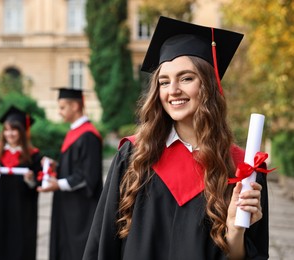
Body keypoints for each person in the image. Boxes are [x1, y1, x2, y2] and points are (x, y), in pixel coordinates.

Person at [83, 16, 269, 260]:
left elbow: (243, 255)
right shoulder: (134, 155)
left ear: (209, 85)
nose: (173, 90)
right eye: (163, 82)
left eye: (186, 78)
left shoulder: (242, 168)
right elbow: (103, 240)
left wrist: (235, 231)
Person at [37, 88, 103, 260]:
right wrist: (56, 165)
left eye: (62, 107)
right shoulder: (75, 132)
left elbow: (89, 175)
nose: (59, 112)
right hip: (69, 204)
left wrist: (58, 184)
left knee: (77, 250)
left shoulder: (88, 135)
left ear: (75, 106)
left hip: (82, 208)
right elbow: (74, 167)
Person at [0, 105, 43, 260]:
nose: (10, 134)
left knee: (20, 244)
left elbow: (37, 184)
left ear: (22, 132)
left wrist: (30, 180)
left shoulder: (33, 155)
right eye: (6, 130)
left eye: (14, 130)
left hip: (22, 209)